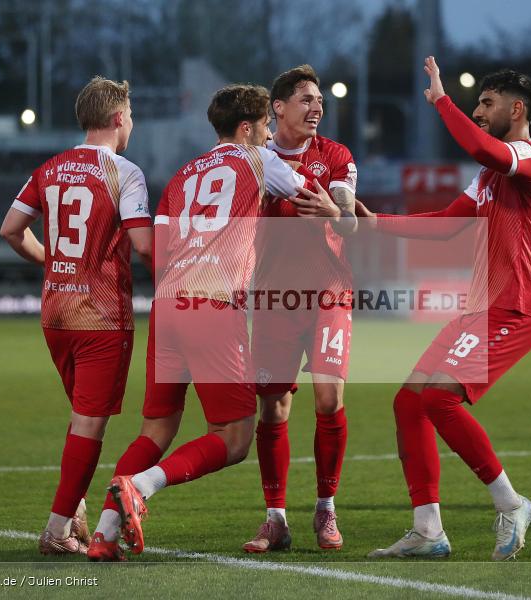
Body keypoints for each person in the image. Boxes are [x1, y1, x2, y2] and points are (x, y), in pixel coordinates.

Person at [88, 84, 338, 561]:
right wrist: (336, 205)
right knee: (236, 436)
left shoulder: (182, 175)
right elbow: (310, 198)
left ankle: (103, 533)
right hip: (213, 304)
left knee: (155, 431)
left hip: (167, 305)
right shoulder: (258, 159)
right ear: (247, 128)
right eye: (265, 127)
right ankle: (141, 486)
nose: (269, 136)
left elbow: (155, 249)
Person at [359, 57, 531, 561]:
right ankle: (428, 530)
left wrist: (440, 101)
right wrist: (375, 222)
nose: (478, 110)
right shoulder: (489, 180)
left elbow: (478, 145)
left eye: (486, 104)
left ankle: (511, 503)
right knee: (410, 401)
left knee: (439, 399)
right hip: (480, 308)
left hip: (516, 307)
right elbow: (446, 224)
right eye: (475, 104)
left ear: (517, 109)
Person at [0, 76, 153, 555]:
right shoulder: (125, 173)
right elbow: (145, 244)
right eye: (130, 116)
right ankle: (55, 530)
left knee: (81, 420)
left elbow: (10, 229)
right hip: (102, 317)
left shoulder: (51, 167)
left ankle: (76, 510)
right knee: (90, 426)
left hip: (56, 314)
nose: (131, 124)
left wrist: (52, 259)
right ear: (116, 119)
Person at [243, 64, 359, 553]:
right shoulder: (253, 160)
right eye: (307, 100)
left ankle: (326, 510)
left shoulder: (335, 155)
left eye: (320, 102)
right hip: (273, 298)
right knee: (273, 407)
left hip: (329, 293)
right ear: (279, 108)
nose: (317, 109)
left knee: (329, 399)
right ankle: (275, 519)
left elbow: (351, 222)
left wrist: (337, 213)